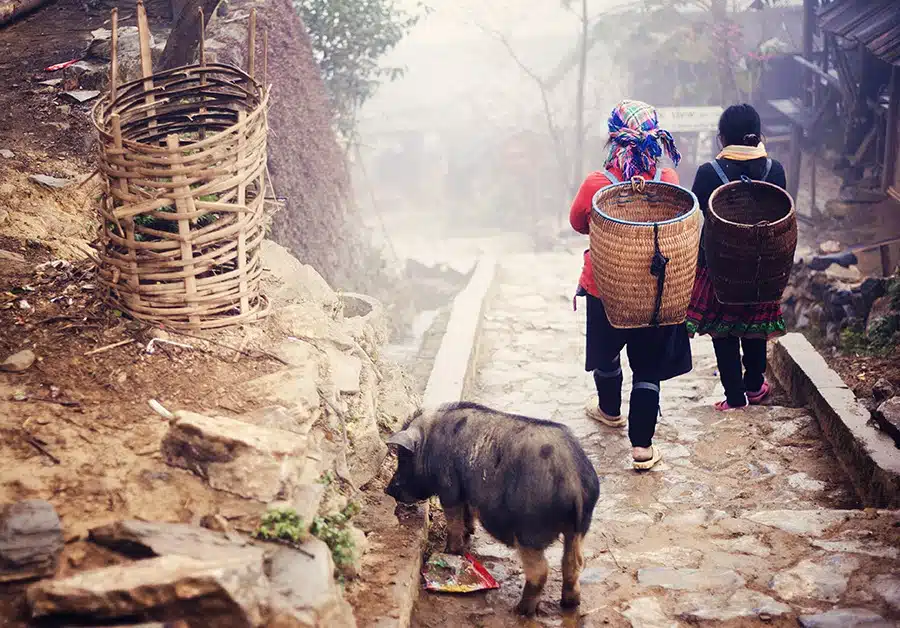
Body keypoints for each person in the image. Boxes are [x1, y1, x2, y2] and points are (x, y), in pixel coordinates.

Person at [570, 99, 692, 471]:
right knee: (648, 367)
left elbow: (578, 223)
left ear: (614, 137)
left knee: (607, 352)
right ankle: (642, 448)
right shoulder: (667, 183)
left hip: (606, 287)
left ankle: (609, 411)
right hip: (656, 289)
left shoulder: (597, 184)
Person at [685, 103, 788, 410]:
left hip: (720, 266)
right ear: (758, 135)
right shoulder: (775, 170)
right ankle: (755, 386)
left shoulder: (708, 174)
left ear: (721, 138)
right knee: (755, 323)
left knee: (723, 329)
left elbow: (695, 213)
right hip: (762, 264)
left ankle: (734, 397)